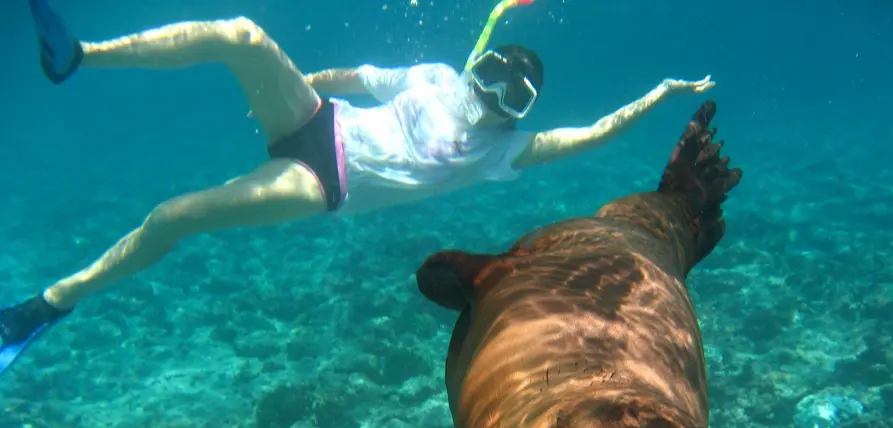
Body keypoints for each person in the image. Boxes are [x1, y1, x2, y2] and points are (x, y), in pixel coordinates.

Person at [0, 0, 715, 375]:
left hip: (320, 180)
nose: (494, 99)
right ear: (482, 63)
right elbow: (355, 78)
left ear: (520, 114)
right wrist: (294, 86)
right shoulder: (435, 73)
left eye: (513, 100)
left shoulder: (505, 151)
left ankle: (45, 305)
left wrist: (660, 94)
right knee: (244, 36)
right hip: (316, 121)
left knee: (174, 215)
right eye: (492, 78)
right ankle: (77, 58)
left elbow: (593, 135)